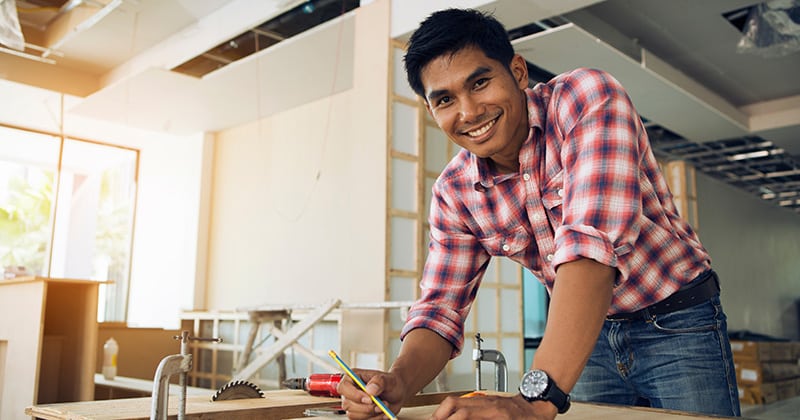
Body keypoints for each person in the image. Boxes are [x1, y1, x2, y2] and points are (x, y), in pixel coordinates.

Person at [337, 8, 741, 420]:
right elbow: (441, 307)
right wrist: (400, 380)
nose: (469, 111)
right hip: (590, 338)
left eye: (480, 83)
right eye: (445, 99)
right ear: (431, 110)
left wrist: (534, 402)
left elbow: (590, 249)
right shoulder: (454, 192)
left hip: (677, 321)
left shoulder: (587, 98)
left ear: (517, 71)